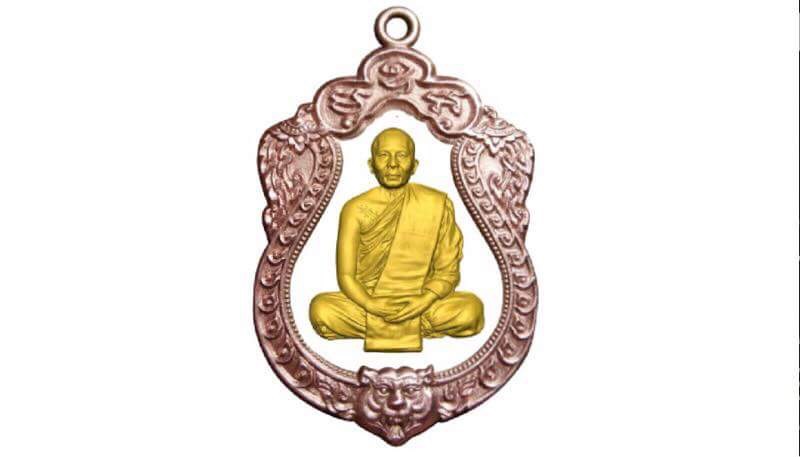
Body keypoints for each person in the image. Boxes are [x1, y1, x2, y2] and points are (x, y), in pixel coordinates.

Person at [309, 128, 484, 351]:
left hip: (421, 300)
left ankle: (391, 327)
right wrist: (370, 304)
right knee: (321, 310)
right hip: (369, 300)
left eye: (401, 155)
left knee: (471, 310)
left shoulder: (436, 203)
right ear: (371, 165)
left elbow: (447, 271)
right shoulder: (354, 209)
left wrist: (425, 299)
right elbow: (346, 276)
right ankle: (412, 328)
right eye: (384, 155)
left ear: (414, 165)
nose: (393, 164)